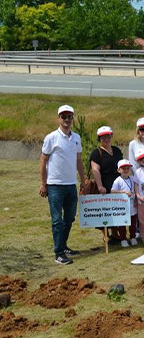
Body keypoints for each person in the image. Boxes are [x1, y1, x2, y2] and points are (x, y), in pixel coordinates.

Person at [40, 105, 87, 265]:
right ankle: (58, 253)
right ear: (58, 118)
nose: (67, 120)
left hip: (71, 184)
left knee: (69, 218)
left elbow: (78, 160)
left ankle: (63, 245)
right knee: (57, 221)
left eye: (69, 117)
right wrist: (43, 183)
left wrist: (83, 180)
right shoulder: (51, 137)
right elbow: (43, 160)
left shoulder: (76, 138)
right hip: (55, 185)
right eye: (63, 116)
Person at [90, 126, 124, 243]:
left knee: (116, 210)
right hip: (105, 185)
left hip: (118, 185)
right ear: (99, 139)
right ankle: (105, 234)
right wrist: (100, 186)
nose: (106, 139)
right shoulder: (96, 153)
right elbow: (96, 170)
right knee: (105, 211)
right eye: (103, 137)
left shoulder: (117, 151)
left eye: (108, 136)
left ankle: (115, 233)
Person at [111, 159, 138, 247]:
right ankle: (123, 239)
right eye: (123, 168)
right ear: (119, 170)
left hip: (132, 204)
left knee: (133, 223)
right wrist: (123, 192)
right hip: (122, 206)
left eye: (127, 168)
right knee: (122, 223)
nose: (126, 170)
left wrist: (136, 199)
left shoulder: (132, 178)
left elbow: (136, 190)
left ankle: (133, 237)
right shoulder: (118, 180)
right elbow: (112, 191)